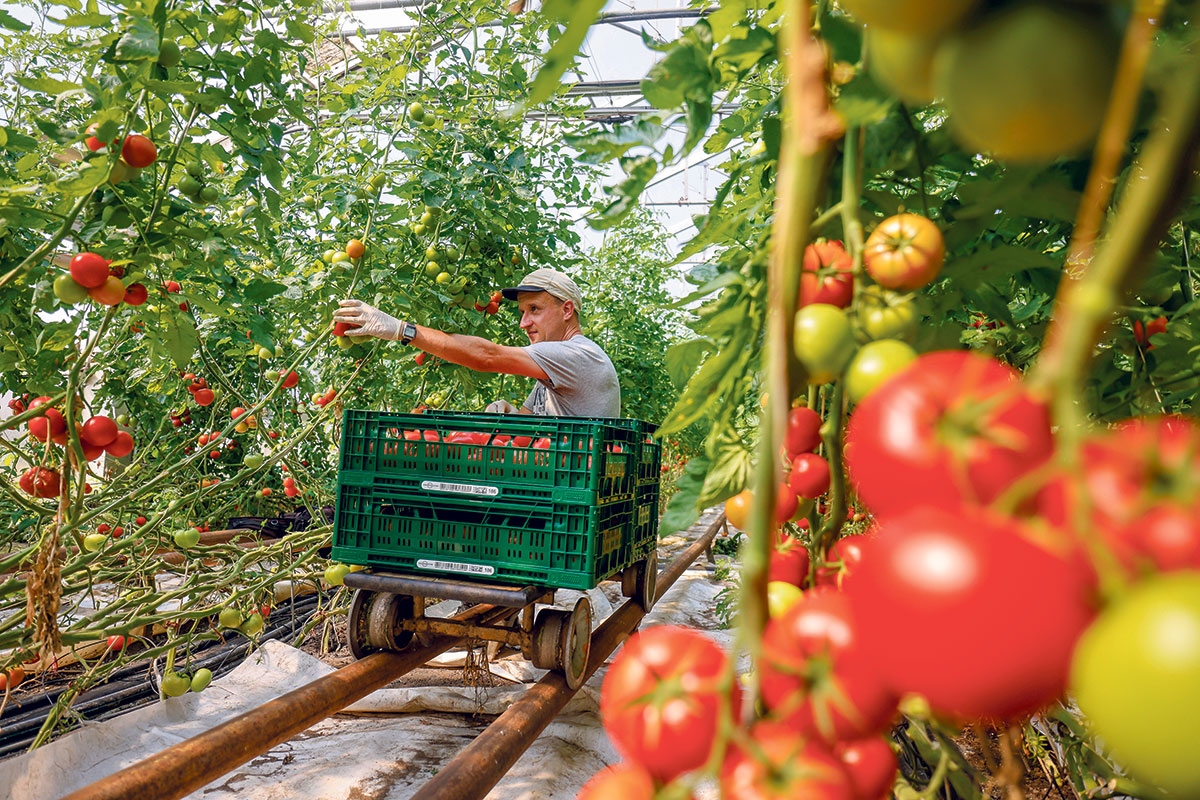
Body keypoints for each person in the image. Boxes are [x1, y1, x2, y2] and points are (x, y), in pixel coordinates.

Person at [333, 268, 621, 417]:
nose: (524, 323)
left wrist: (402, 330)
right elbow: (526, 429)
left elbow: (486, 356)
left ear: (567, 310)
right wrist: (509, 414)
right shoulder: (554, 368)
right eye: (522, 313)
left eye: (535, 309)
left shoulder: (576, 355)